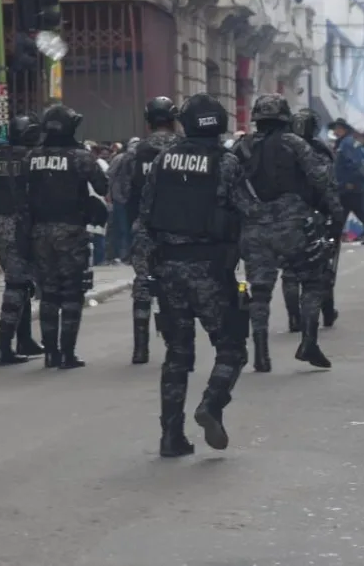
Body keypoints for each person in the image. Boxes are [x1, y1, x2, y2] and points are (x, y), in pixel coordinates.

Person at [135, 93, 250, 457]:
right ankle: (212, 404)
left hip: (168, 268)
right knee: (231, 347)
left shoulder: (164, 159)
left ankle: (171, 436)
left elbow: (145, 215)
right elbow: (248, 211)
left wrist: (147, 267)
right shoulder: (226, 163)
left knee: (177, 354)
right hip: (211, 269)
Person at [235, 94, 344, 373]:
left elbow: (226, 187)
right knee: (312, 281)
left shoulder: (241, 146)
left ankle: (260, 353)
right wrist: (335, 213)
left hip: (255, 228)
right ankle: (308, 342)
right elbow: (321, 179)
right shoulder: (294, 144)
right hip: (293, 225)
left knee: (259, 291)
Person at [23, 104, 109, 368]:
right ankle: (67, 353)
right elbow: (102, 186)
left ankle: (51, 353)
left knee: (48, 293)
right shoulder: (80, 157)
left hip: (39, 232)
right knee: (72, 293)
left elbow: (20, 192)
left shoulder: (31, 157)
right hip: (71, 231)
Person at [0, 114, 45, 366]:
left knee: (22, 282)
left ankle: (24, 339)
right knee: (17, 285)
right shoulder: (31, 159)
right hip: (21, 226)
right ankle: (4, 347)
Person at [122, 97, 180, 365]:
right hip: (179, 227)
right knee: (175, 286)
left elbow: (122, 193)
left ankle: (140, 348)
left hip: (145, 228)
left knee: (143, 284)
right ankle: (175, 342)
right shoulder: (185, 148)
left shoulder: (136, 152)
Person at [282, 108, 339, 332]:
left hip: (285, 215)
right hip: (315, 215)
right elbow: (328, 185)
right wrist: (335, 213)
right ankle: (324, 312)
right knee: (321, 266)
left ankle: (294, 317)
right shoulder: (318, 150)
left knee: (289, 270)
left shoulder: (282, 148)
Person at [329, 118, 364, 245]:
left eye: (339, 129)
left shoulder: (347, 143)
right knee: (355, 211)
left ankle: (334, 237)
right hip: (347, 183)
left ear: (345, 130)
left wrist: (350, 181)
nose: (336, 131)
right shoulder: (343, 143)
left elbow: (354, 163)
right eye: (335, 129)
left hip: (351, 184)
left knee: (347, 211)